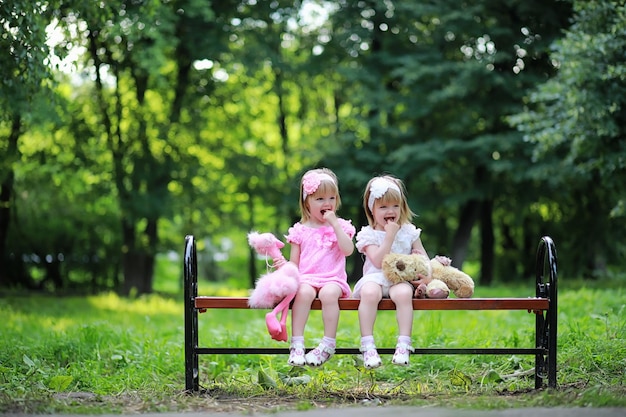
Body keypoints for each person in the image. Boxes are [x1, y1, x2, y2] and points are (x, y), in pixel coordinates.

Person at [352, 174, 448, 369]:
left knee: (404, 294)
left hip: (400, 281)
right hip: (374, 278)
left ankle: (403, 344)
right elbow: (378, 261)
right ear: (372, 209)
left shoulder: (409, 231)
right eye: (384, 207)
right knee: (370, 293)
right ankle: (368, 345)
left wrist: (425, 276)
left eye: (395, 206)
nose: (390, 211)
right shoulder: (368, 234)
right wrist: (389, 236)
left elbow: (423, 259)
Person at [285, 168, 356, 367]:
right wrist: (285, 275)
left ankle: (327, 344)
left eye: (332, 198)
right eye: (320, 199)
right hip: (307, 278)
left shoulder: (341, 226)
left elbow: (348, 250)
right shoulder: (300, 230)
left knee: (328, 295)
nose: (327, 203)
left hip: (333, 279)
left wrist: (335, 226)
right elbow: (294, 263)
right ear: (306, 201)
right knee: (303, 293)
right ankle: (297, 343)